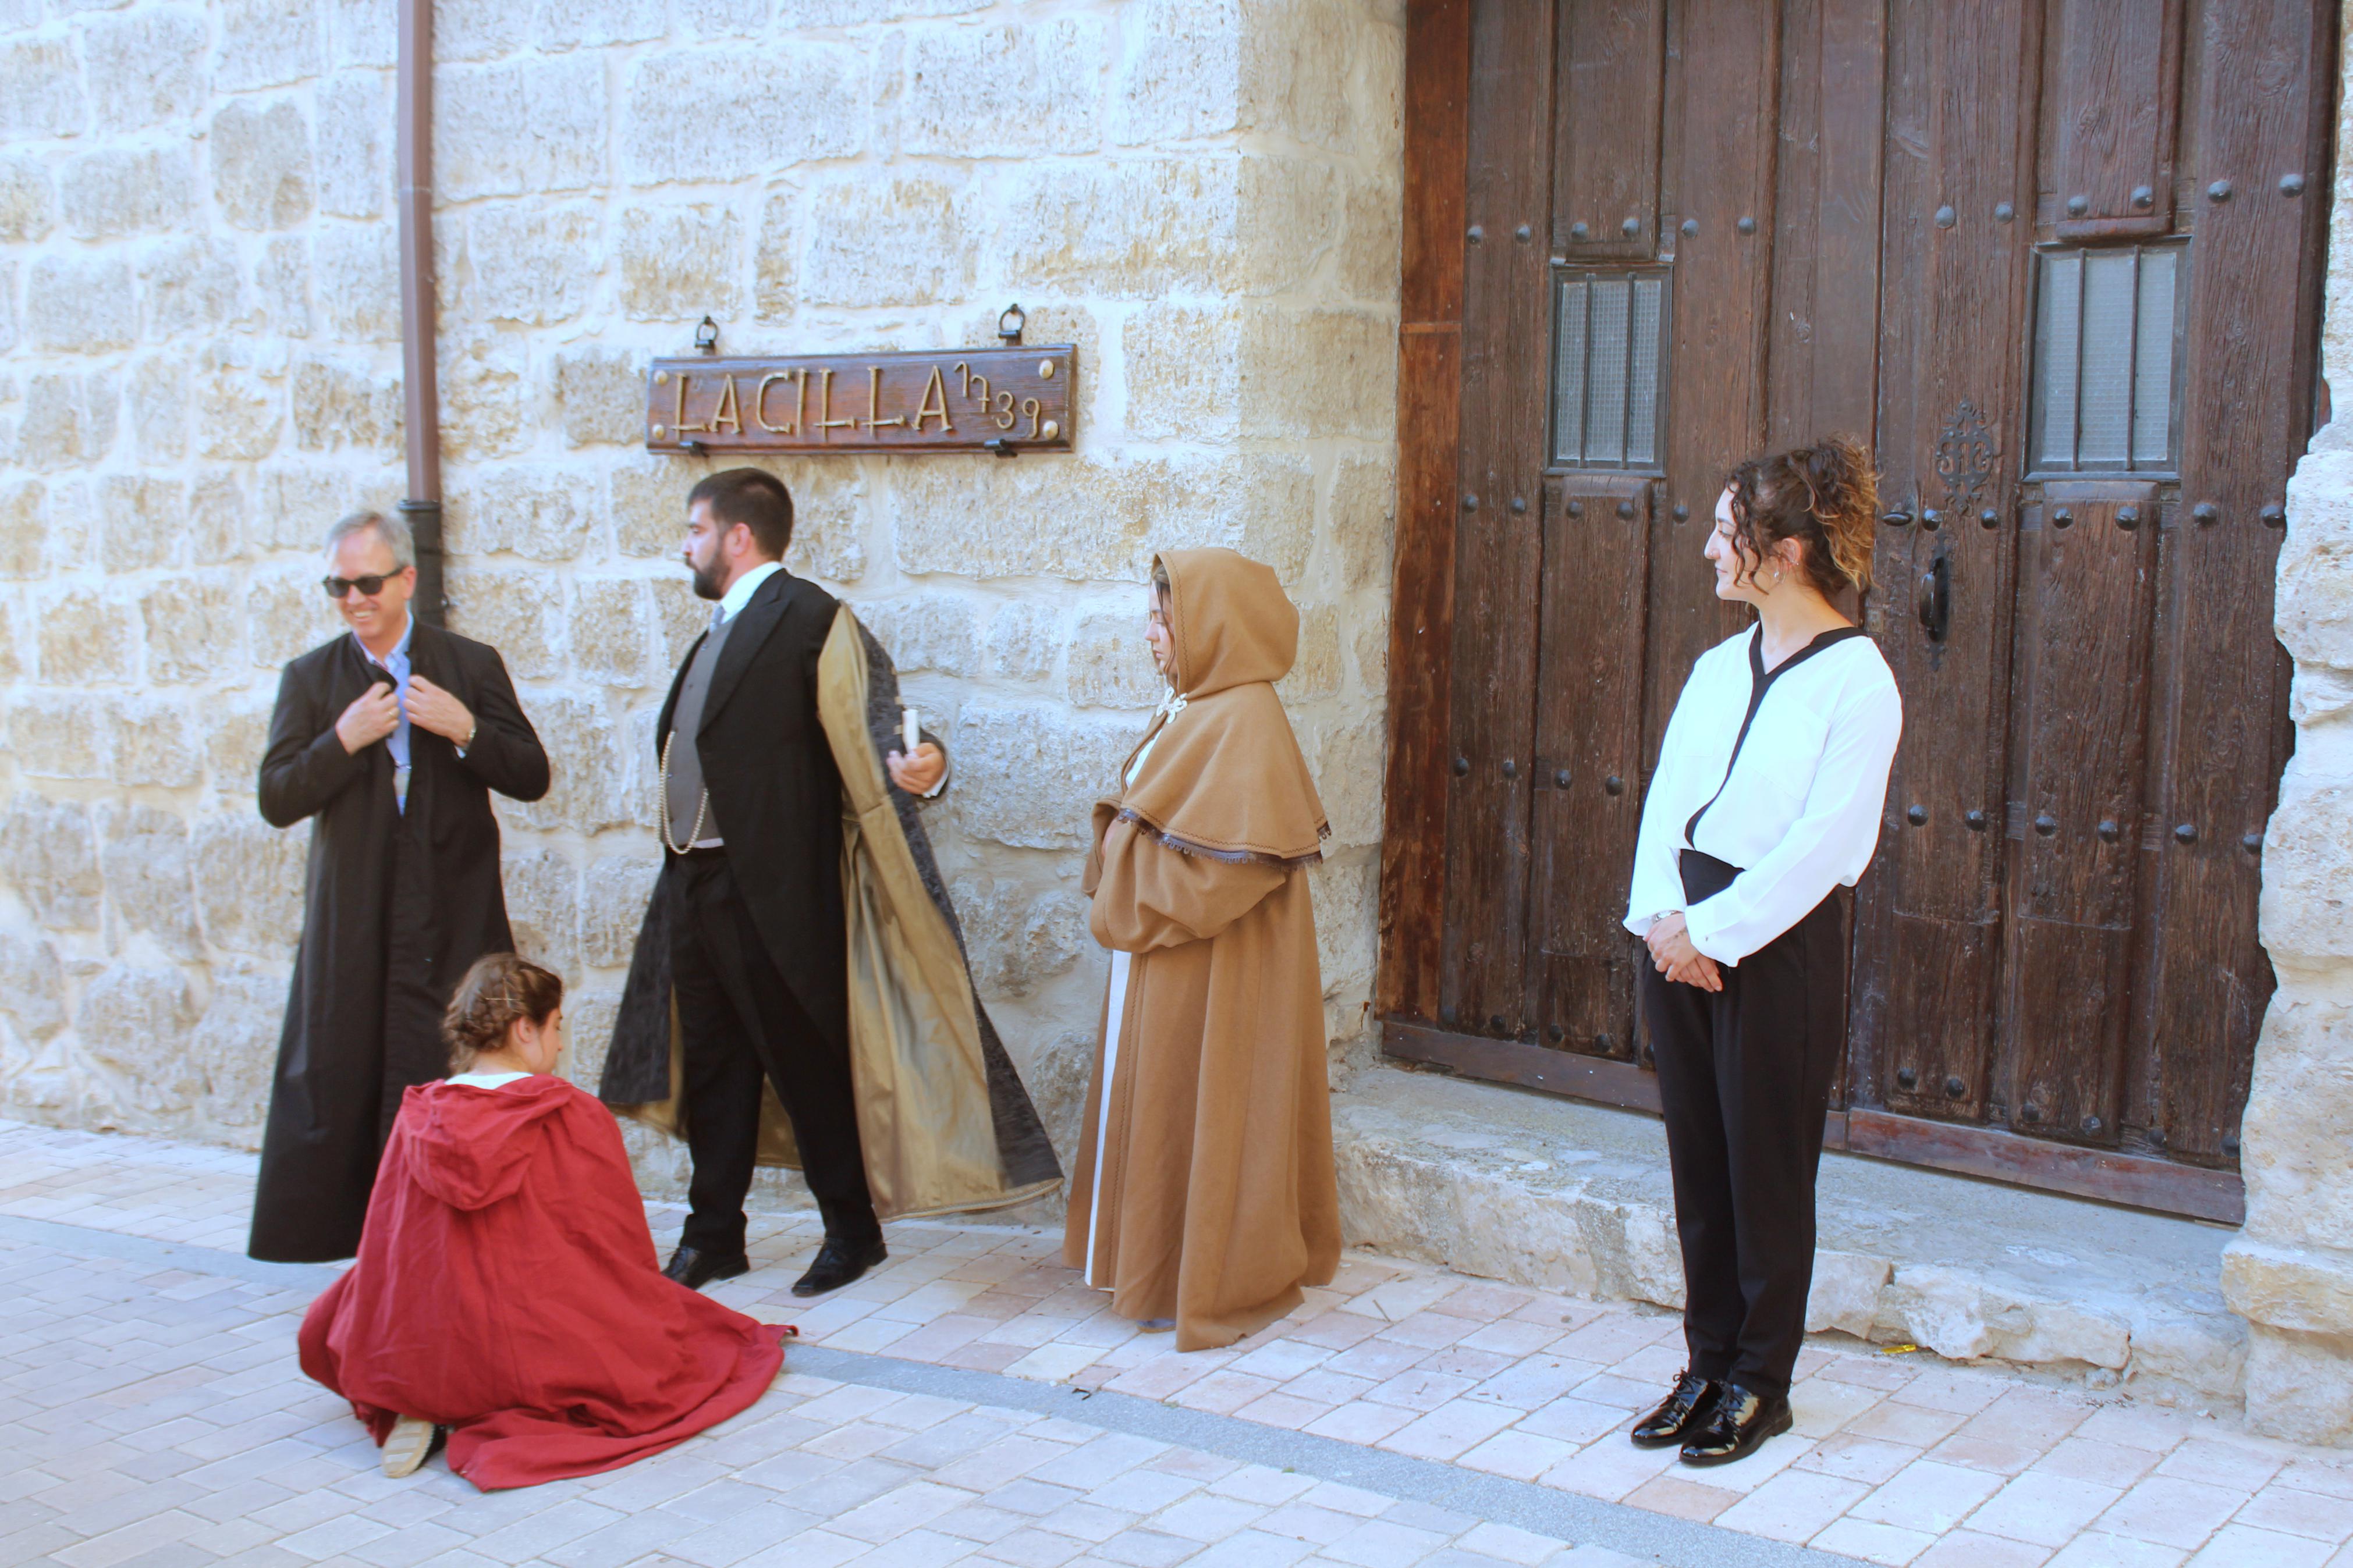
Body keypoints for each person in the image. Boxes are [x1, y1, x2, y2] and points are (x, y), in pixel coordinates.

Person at [599, 468, 1062, 1300]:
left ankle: (853, 1231)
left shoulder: (812, 619)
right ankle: (714, 1236)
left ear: (738, 535)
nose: (685, 544)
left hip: (774, 892)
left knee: (806, 1065)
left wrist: (930, 765)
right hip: (694, 885)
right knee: (712, 1067)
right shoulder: (714, 632)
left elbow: (885, 728)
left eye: (694, 529)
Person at [1621, 438, 1903, 1466]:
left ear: (1780, 553)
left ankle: (1758, 1383)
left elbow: (1823, 847)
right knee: (1699, 1162)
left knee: (1765, 1169)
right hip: (1677, 934)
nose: (1705, 549)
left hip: (1772, 945)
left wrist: (1717, 932)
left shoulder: (1856, 683)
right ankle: (1703, 1363)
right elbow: (1664, 806)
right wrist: (1662, 919)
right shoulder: (1714, 667)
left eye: (1723, 532)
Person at [299, 955, 789, 1489]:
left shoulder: (420, 1118)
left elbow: (391, 1250)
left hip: (430, 1347)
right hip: (531, 1347)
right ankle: (486, 1399)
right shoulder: (570, 1113)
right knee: (633, 1327)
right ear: (524, 1028)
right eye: (557, 1027)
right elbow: (615, 1249)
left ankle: (426, 1400)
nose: (559, 1044)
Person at [249, 511, 549, 1263]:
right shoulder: (312, 678)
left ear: (406, 580)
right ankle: (367, 1241)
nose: (354, 598)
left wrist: (466, 728)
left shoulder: (469, 663)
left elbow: (531, 775)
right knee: (347, 1065)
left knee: (456, 1066)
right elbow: (277, 795)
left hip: (454, 908)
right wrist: (341, 740)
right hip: (355, 915)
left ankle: (466, 1236)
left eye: (368, 582)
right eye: (338, 585)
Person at [1062, 548, 1341, 1351]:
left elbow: (1218, 879)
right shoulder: (1197, 707)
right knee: (1161, 1098)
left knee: (1199, 1100)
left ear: (1212, 626)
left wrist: (1124, 852)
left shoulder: (1242, 720)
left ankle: (1190, 1272)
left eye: (1165, 618)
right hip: (1174, 958)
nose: (1151, 636)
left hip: (1211, 967)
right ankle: (1146, 1260)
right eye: (1152, 617)